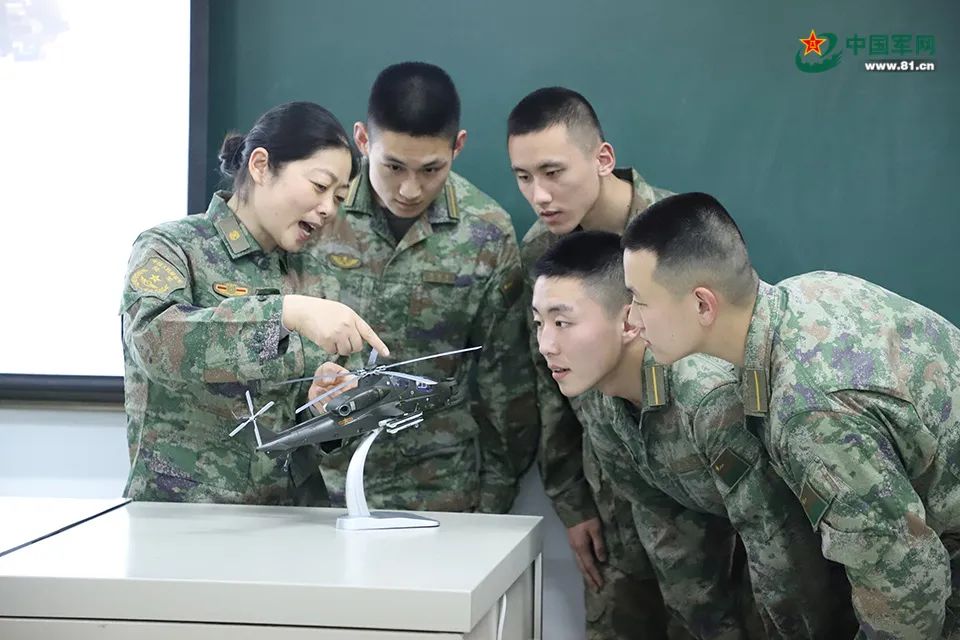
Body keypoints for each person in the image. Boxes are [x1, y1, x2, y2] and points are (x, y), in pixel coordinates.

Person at [622, 191, 960, 638]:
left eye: (640, 300)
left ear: (702, 304)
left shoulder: (809, 413)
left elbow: (904, 591)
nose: (631, 320)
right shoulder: (809, 290)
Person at [533, 230, 857, 639]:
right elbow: (666, 528)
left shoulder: (706, 398)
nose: (546, 345)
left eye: (562, 322)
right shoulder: (599, 399)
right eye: (539, 323)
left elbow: (780, 542)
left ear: (629, 322)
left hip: (825, 562)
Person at [298, 62, 539, 513]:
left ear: (458, 146)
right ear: (362, 140)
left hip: (440, 488)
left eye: (431, 169)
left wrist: (494, 500)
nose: (410, 189)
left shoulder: (486, 232)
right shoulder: (316, 212)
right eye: (393, 166)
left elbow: (507, 382)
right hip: (322, 482)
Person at [121, 101, 388, 505]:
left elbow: (303, 424)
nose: (328, 209)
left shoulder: (313, 272)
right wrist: (283, 314)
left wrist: (322, 405)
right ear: (261, 166)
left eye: (339, 197)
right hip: (188, 517)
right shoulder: (172, 247)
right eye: (320, 186)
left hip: (291, 515)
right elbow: (154, 340)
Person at [507, 87, 676, 638]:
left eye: (553, 172)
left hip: (696, 499)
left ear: (602, 158)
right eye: (524, 177)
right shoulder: (541, 252)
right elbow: (548, 382)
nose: (539, 195)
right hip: (610, 508)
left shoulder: (679, 236)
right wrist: (572, 501)